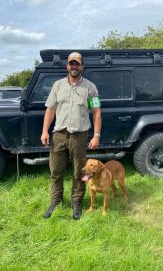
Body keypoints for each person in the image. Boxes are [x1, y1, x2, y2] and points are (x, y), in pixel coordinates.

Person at [41, 51, 101, 220]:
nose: (74, 66)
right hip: (59, 135)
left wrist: (96, 135)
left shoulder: (90, 87)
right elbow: (50, 109)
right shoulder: (57, 85)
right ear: (67, 66)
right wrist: (45, 131)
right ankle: (56, 201)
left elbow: (96, 112)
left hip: (79, 136)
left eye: (77, 63)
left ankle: (76, 203)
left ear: (82, 66)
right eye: (71, 63)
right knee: (56, 171)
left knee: (79, 172)